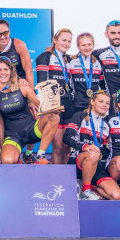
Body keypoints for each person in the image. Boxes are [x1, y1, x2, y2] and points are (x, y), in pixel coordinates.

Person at [0, 56, 58, 165]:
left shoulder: (22, 87)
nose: (3, 73)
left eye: (6, 69)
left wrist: (53, 108)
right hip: (13, 136)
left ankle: (40, 156)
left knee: (54, 116)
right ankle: (18, 158)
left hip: (31, 130)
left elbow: (42, 106)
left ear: (11, 71)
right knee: (7, 161)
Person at [64, 91, 120, 200]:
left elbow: (106, 152)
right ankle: (86, 190)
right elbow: (67, 137)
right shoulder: (80, 116)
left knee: (116, 196)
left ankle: (92, 188)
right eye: (101, 101)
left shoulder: (106, 125)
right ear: (92, 101)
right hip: (77, 163)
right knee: (93, 153)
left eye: (107, 103)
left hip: (96, 166)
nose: (104, 105)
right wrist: (85, 146)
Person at [36, 29, 75, 165]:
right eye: (63, 40)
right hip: (55, 105)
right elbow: (42, 83)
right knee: (58, 146)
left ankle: (65, 175)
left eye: (69, 41)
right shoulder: (44, 57)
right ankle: (57, 175)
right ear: (55, 39)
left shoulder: (70, 59)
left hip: (70, 104)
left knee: (66, 147)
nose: (66, 43)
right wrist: (51, 106)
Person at [68, 32, 104, 114]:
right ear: (78, 46)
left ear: (93, 45)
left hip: (95, 104)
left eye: (89, 44)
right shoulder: (71, 61)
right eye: (83, 45)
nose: (87, 48)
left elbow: (102, 84)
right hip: (77, 104)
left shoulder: (99, 62)